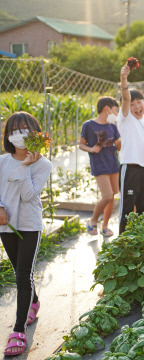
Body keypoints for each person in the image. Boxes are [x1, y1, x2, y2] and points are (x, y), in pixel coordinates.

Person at [0, 112, 52, 356]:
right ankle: (33, 301)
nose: (18, 134)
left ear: (35, 133)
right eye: (13, 130)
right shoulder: (1, 162)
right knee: (18, 270)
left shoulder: (43, 165)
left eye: (23, 129)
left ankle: (18, 330)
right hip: (5, 225)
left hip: (29, 225)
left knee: (23, 275)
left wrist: (25, 167)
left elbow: (29, 196)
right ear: (8, 136)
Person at [117, 64, 144, 234]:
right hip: (130, 168)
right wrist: (124, 79)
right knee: (126, 209)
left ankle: (140, 245)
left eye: (139, 102)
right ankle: (123, 245)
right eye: (133, 104)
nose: (137, 107)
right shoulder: (126, 118)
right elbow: (125, 98)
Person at [79, 96, 121, 237]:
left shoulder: (113, 126)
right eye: (116, 110)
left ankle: (105, 226)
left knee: (112, 196)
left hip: (113, 164)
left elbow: (119, 146)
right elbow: (81, 144)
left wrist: (123, 135)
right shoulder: (89, 125)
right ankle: (93, 221)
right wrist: (91, 149)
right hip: (99, 164)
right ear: (107, 108)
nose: (116, 113)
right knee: (107, 195)